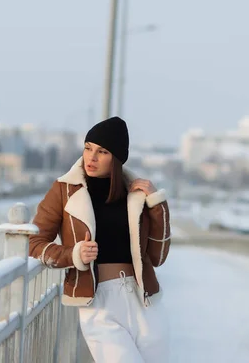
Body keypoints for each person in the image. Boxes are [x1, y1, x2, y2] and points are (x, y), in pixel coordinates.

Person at [29, 116, 171, 362]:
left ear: (116, 158)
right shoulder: (64, 190)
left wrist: (157, 204)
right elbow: (34, 243)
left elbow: (157, 257)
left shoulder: (134, 193)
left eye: (102, 151)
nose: (91, 157)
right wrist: (74, 254)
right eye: (88, 148)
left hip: (143, 300)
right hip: (99, 302)